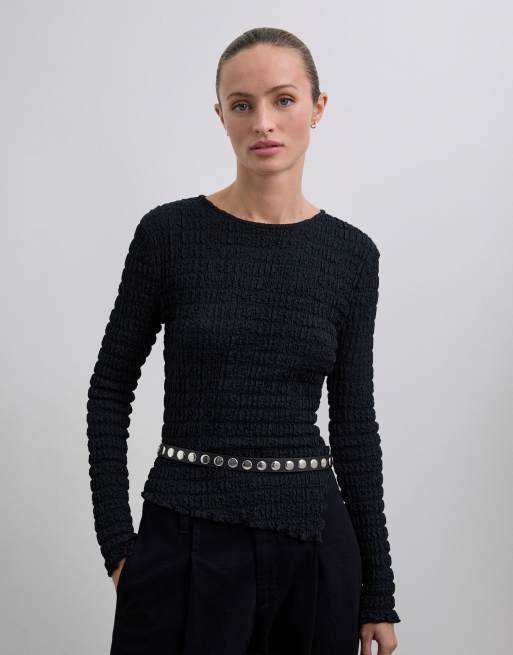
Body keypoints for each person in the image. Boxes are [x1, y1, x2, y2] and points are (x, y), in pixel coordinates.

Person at [86, 26, 401, 655]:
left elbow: (354, 423)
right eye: (242, 104)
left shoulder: (350, 256)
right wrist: (118, 544)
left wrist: (377, 590)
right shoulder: (169, 235)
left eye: (283, 99)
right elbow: (110, 389)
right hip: (184, 537)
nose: (263, 122)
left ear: (317, 106)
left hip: (314, 548)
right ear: (221, 116)